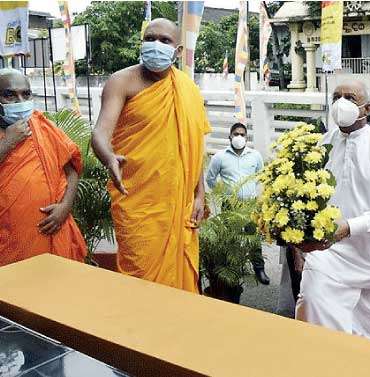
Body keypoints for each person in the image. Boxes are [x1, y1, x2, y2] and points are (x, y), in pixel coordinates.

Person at [92, 19, 210, 292]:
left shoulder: (188, 89)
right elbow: (100, 132)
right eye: (150, 38)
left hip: (180, 204)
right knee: (139, 279)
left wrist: (200, 194)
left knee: (180, 284)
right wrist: (108, 157)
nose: (155, 45)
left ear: (178, 51)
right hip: (139, 202)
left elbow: (193, 148)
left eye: (165, 41)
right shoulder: (121, 81)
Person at [295, 80, 370, 341]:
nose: (340, 103)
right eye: (336, 97)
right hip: (328, 254)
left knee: (366, 338)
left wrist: (349, 227)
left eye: (349, 97)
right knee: (313, 310)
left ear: (366, 108)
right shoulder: (321, 146)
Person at [0, 68, 86, 266]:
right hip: (9, 241)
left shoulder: (42, 125)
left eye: (26, 94)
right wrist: (8, 142)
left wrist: (65, 207)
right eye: (9, 95)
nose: (20, 101)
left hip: (53, 232)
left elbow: (71, 171)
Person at [206, 123, 270, 285]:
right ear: (230, 137)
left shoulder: (255, 155)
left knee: (253, 238)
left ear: (246, 138)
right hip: (229, 205)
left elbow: (260, 175)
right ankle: (231, 272)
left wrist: (251, 192)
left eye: (242, 134)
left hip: (250, 205)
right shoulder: (219, 157)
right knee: (230, 239)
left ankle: (259, 269)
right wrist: (223, 194)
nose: (239, 137)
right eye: (236, 134)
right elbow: (210, 179)